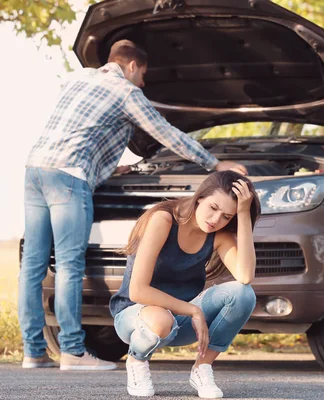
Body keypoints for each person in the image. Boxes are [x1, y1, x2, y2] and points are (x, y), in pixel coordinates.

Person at [18, 40, 248, 371]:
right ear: (131, 67)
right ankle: (71, 351)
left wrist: (108, 168)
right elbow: (166, 133)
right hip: (70, 176)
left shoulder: (78, 78)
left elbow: (80, 132)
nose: (143, 83)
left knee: (33, 266)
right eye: (142, 75)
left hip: (36, 169)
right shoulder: (126, 92)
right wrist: (214, 164)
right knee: (69, 264)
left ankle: (33, 352)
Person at [109, 170, 261, 398]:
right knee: (161, 319)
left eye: (227, 217)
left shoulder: (218, 234)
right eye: (213, 208)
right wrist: (193, 310)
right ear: (200, 197)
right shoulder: (164, 220)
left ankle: (202, 367)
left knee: (243, 293)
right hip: (136, 318)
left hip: (180, 321)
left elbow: (246, 275)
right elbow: (138, 290)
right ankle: (136, 360)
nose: (216, 220)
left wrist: (244, 214)